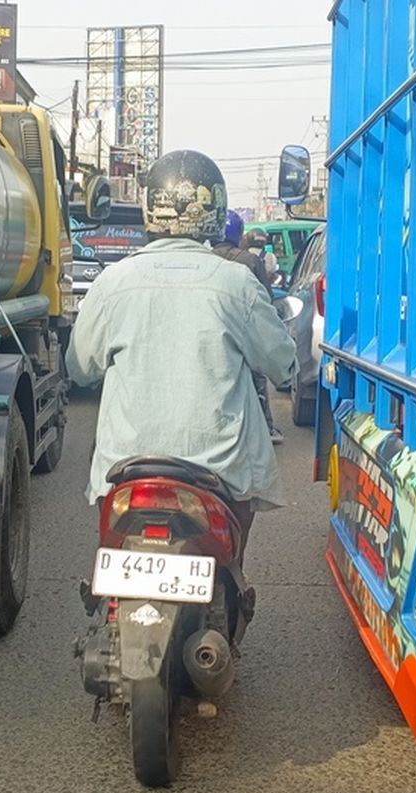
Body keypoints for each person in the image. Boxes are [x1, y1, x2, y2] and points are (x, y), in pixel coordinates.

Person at [66, 150, 296, 558]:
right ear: (215, 209)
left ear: (150, 207)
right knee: (229, 561)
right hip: (220, 474)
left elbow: (79, 369)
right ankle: (230, 583)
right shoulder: (237, 284)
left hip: (126, 468)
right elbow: (282, 365)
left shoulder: (112, 283)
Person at [213, 210, 283, 444]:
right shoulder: (251, 262)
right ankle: (267, 428)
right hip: (244, 333)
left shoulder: (206, 258)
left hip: (212, 334)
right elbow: (266, 300)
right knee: (258, 378)